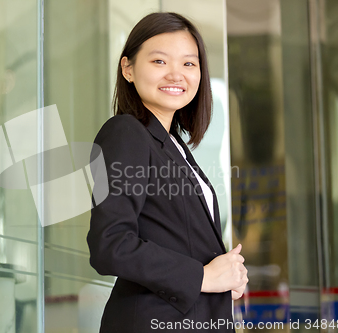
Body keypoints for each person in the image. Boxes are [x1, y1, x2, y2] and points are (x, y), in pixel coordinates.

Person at [87, 12, 248, 332]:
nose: (176, 74)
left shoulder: (172, 143)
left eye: (189, 64)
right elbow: (110, 243)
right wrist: (204, 276)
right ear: (128, 68)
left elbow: (176, 238)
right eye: (160, 61)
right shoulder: (125, 132)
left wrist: (227, 274)